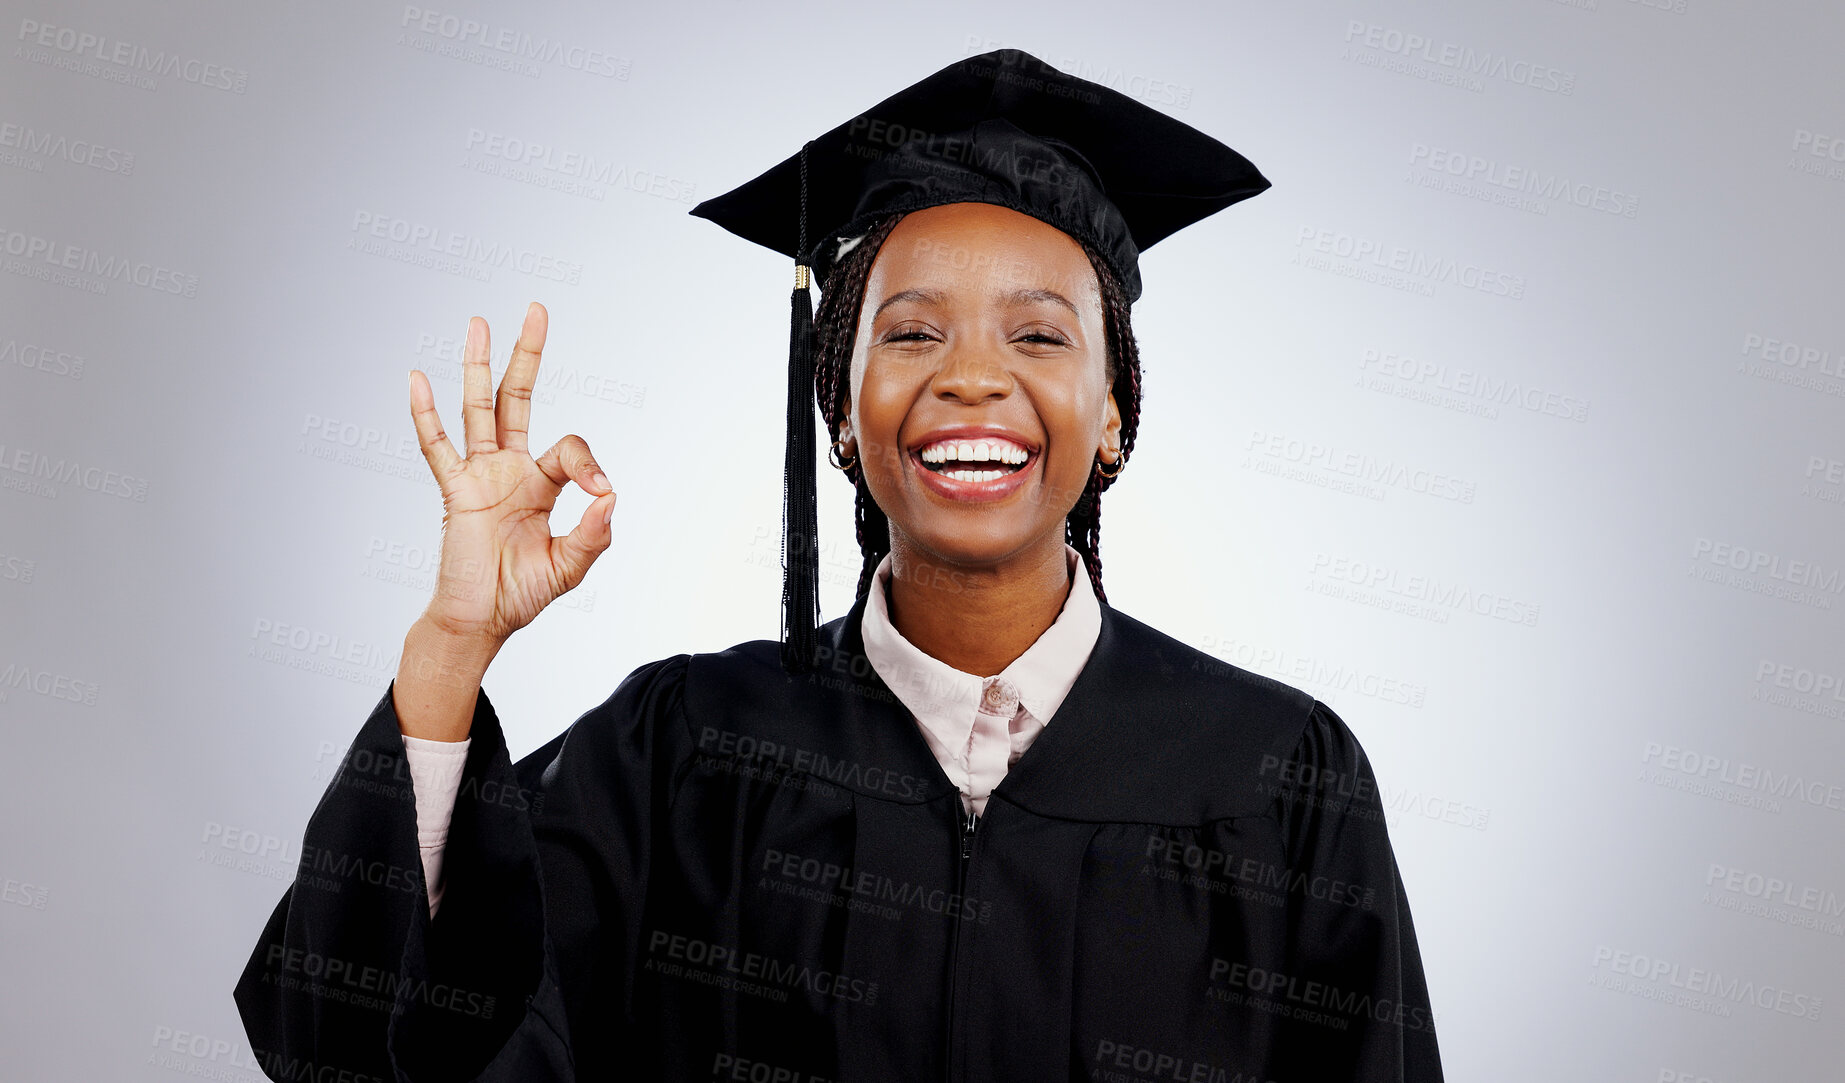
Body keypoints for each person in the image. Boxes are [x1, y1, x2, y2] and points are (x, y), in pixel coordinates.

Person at [234, 49, 1444, 1082]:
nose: (971, 375)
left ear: (1114, 409)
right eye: (910, 332)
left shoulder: (1280, 777)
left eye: (1039, 334)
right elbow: (374, 1043)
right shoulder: (685, 751)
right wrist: (451, 652)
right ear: (842, 407)